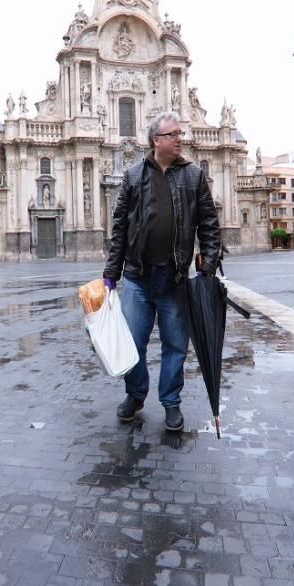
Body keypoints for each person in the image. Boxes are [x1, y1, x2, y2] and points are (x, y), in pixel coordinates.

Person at [102, 111, 221, 432]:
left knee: (175, 347)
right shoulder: (132, 175)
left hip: (175, 280)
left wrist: (208, 265)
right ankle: (136, 394)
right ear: (157, 140)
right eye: (175, 134)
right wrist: (112, 272)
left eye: (181, 133)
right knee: (132, 345)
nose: (181, 138)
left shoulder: (193, 176)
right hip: (137, 279)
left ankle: (171, 402)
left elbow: (210, 224)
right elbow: (120, 228)